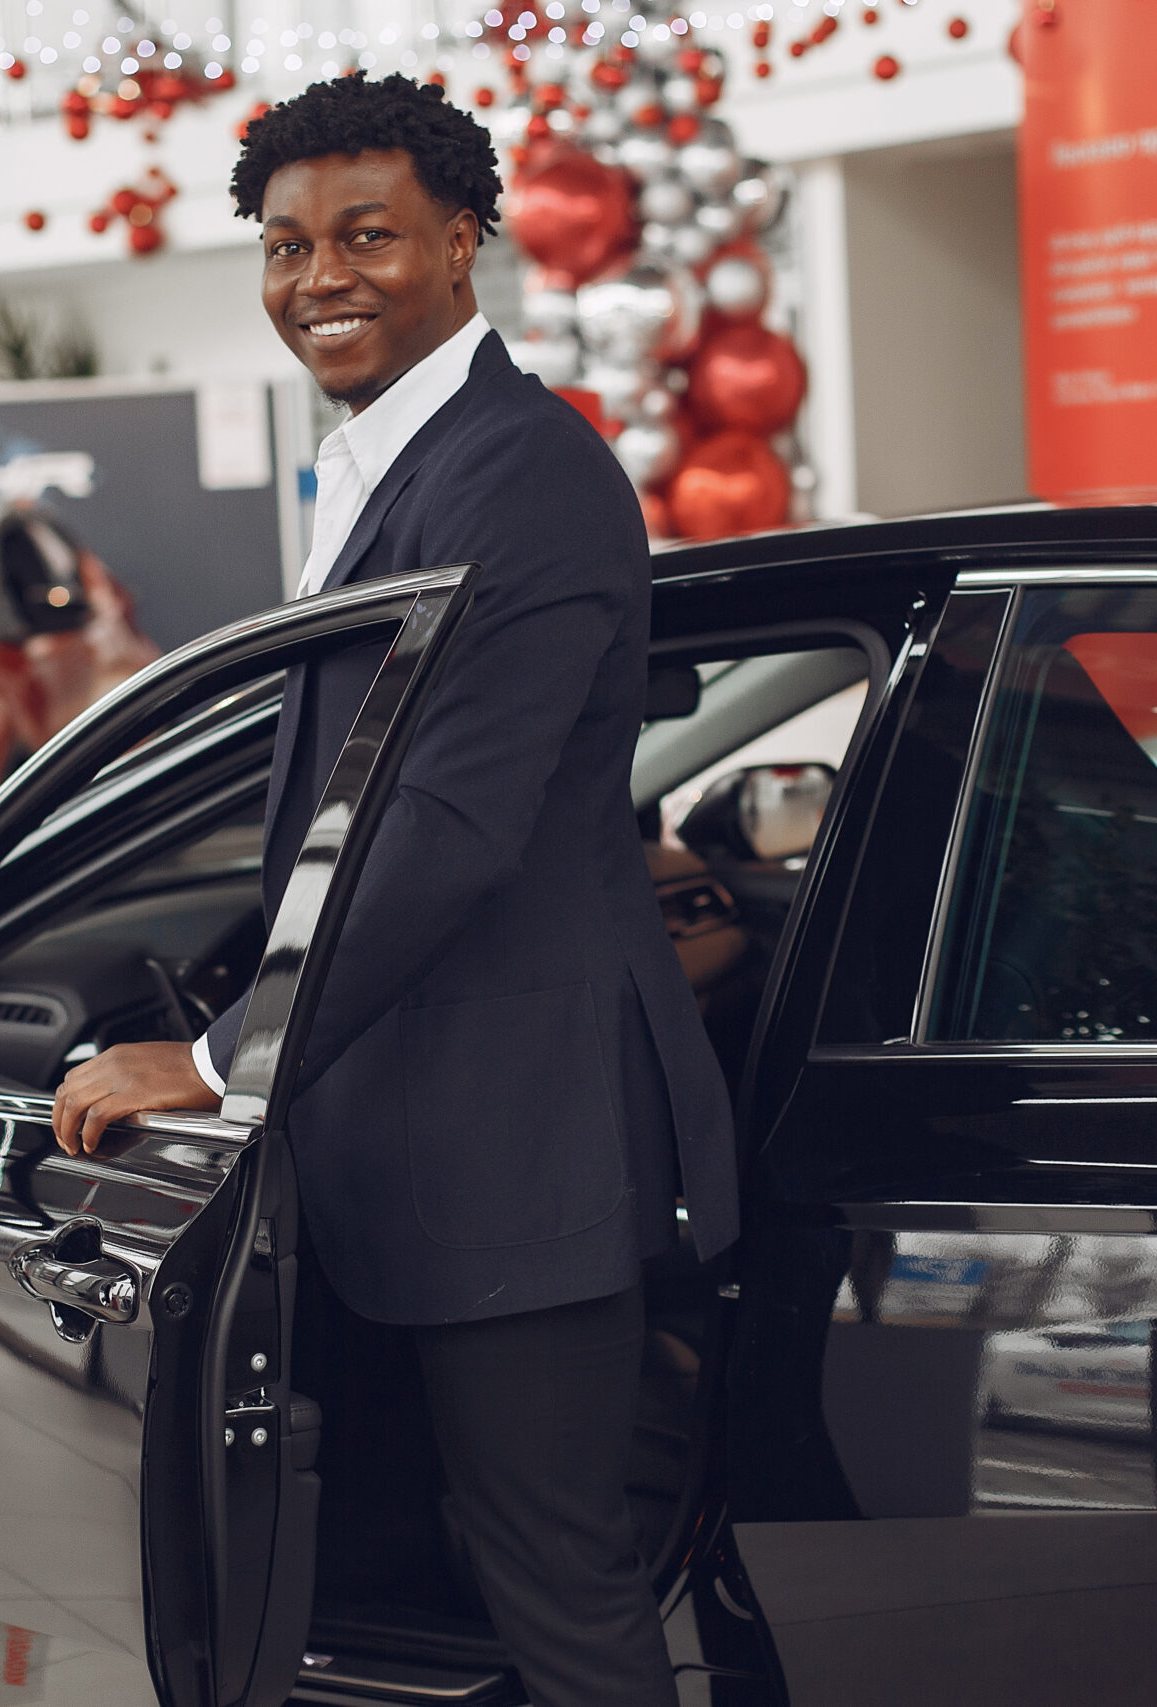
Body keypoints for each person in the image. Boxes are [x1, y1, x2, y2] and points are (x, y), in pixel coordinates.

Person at [49, 71, 738, 1707]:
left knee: (558, 1595)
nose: (321, 277)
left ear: (466, 243)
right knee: (424, 1589)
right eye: (286, 247)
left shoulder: (524, 474)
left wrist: (221, 1058)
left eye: (368, 236)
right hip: (408, 1140)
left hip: (520, 1146)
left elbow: (442, 826)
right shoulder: (396, 466)